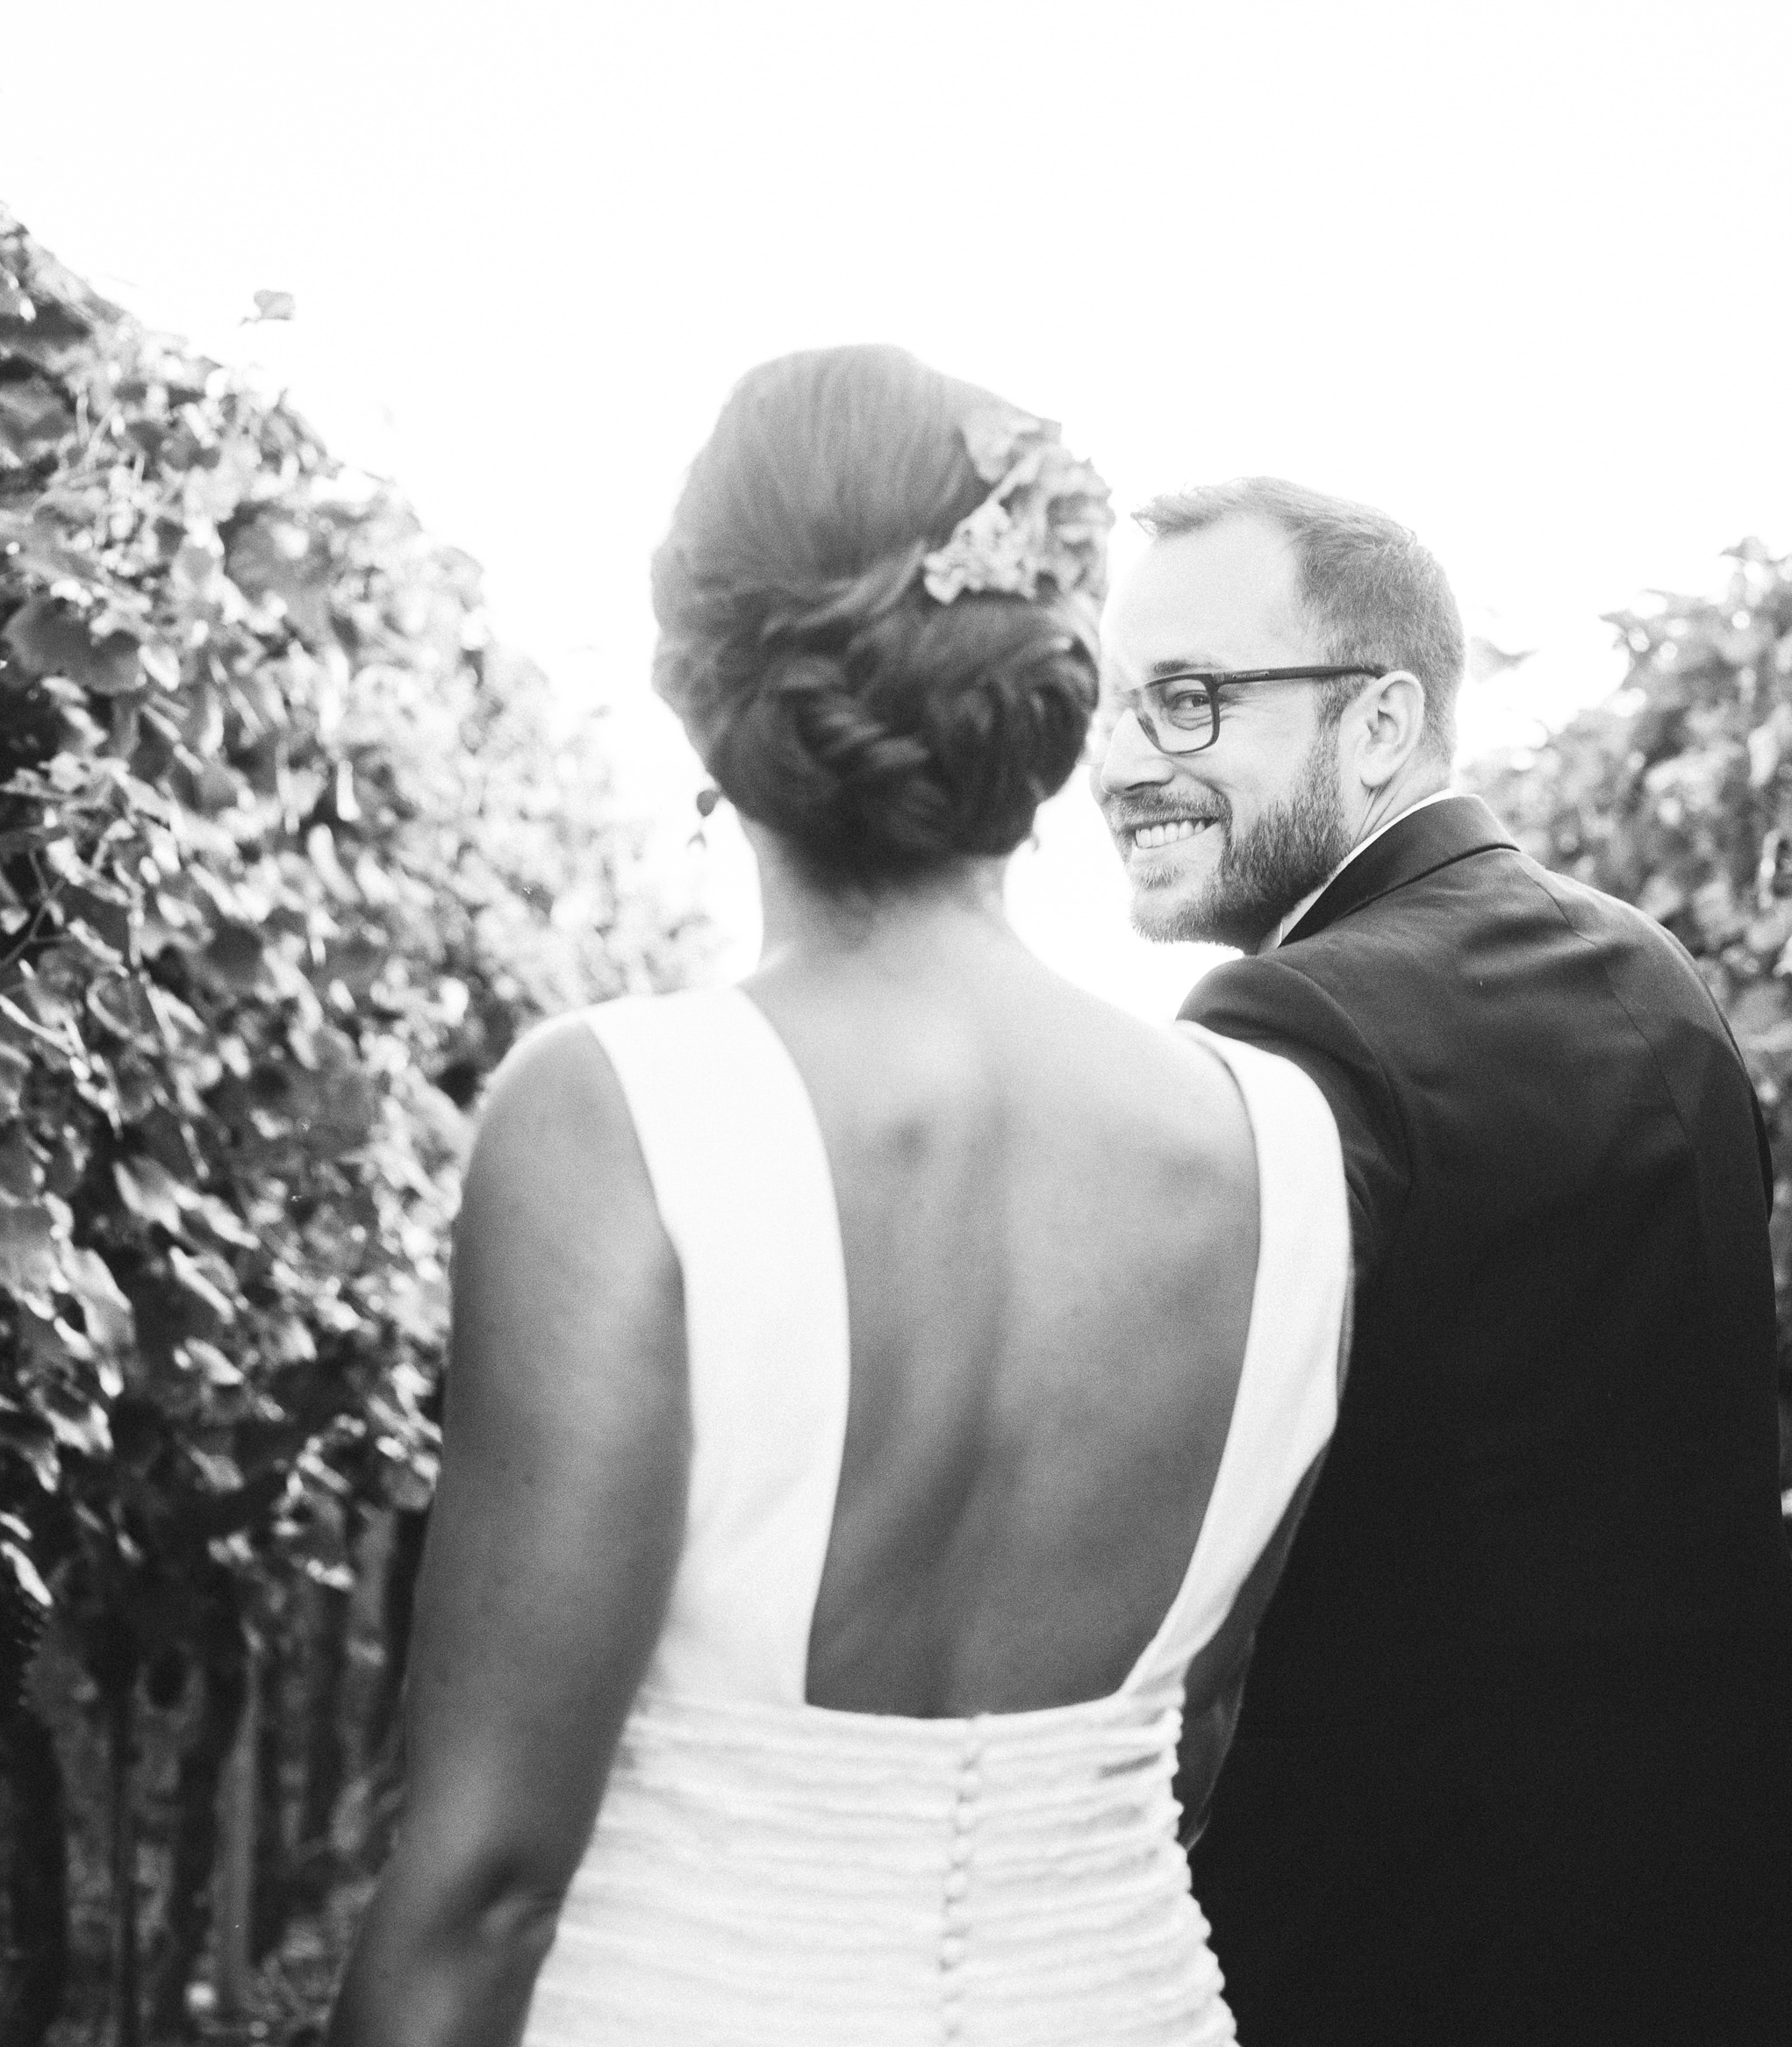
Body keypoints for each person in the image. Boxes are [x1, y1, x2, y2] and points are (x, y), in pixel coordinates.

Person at [332, 348, 1349, 2047]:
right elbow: (1195, 1732)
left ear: (699, 675)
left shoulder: (617, 1118)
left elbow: (486, 1884)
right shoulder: (1285, 1150)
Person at [1094, 478, 1792, 2044]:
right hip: (1705, 1955)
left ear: (1379, 723)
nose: (1121, 762)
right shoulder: (1656, 978)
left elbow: (1178, 1589)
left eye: (1190, 699)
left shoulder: (1284, 1028)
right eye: (1114, 705)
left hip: (1386, 1969)